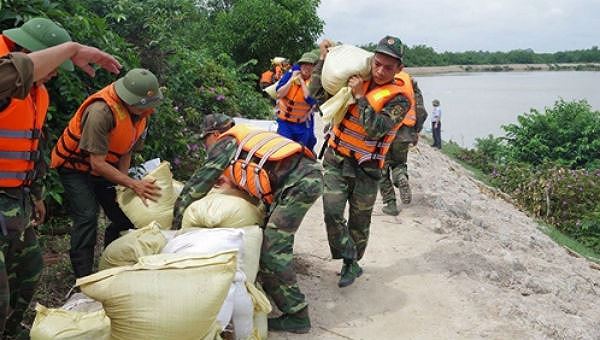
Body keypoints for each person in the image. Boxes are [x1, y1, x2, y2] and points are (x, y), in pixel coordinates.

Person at [172, 114, 323, 334]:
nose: (206, 147)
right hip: (300, 178)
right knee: (267, 238)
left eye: (205, 141)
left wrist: (176, 225)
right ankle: (277, 290)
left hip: (300, 183)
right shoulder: (244, 137)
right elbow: (256, 171)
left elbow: (196, 186)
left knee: (272, 249)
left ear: (214, 135)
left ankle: (298, 315)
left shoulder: (225, 142)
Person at [310, 36, 411, 288]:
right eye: (377, 64)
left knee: (359, 222)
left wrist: (359, 97)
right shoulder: (355, 79)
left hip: (368, 169)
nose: (380, 71)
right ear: (371, 60)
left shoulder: (400, 100)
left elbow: (374, 129)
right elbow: (316, 93)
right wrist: (323, 60)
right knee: (332, 212)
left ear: (398, 69)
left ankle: (350, 264)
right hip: (337, 159)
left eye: (388, 67)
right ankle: (348, 257)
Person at [0, 17, 76, 338]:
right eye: (54, 63)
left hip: (15, 202)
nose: (56, 73)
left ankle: (11, 332)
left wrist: (37, 193)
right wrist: (73, 48)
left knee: (30, 269)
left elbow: (36, 147)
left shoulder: (36, 93)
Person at [50, 68, 162, 278]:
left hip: (106, 167)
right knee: (87, 217)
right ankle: (83, 278)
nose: (150, 110)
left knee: (125, 214)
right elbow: (97, 163)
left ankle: (111, 262)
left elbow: (126, 148)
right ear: (129, 100)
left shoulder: (141, 115)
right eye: (145, 106)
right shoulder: (100, 112)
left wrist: (123, 186)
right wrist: (132, 184)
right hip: (77, 169)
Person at [379, 72, 428, 216]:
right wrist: (416, 131)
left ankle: (391, 204)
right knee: (399, 163)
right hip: (405, 133)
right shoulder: (409, 81)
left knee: (382, 169)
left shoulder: (380, 76)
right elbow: (420, 110)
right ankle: (401, 176)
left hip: (383, 132)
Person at [275, 52, 319, 151]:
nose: (307, 67)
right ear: (300, 65)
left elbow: (309, 99)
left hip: (302, 123)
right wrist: (291, 80)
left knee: (306, 147)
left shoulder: (315, 82)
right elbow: (279, 94)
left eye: (310, 65)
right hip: (285, 121)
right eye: (304, 64)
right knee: (284, 148)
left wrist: (302, 81)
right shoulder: (290, 74)